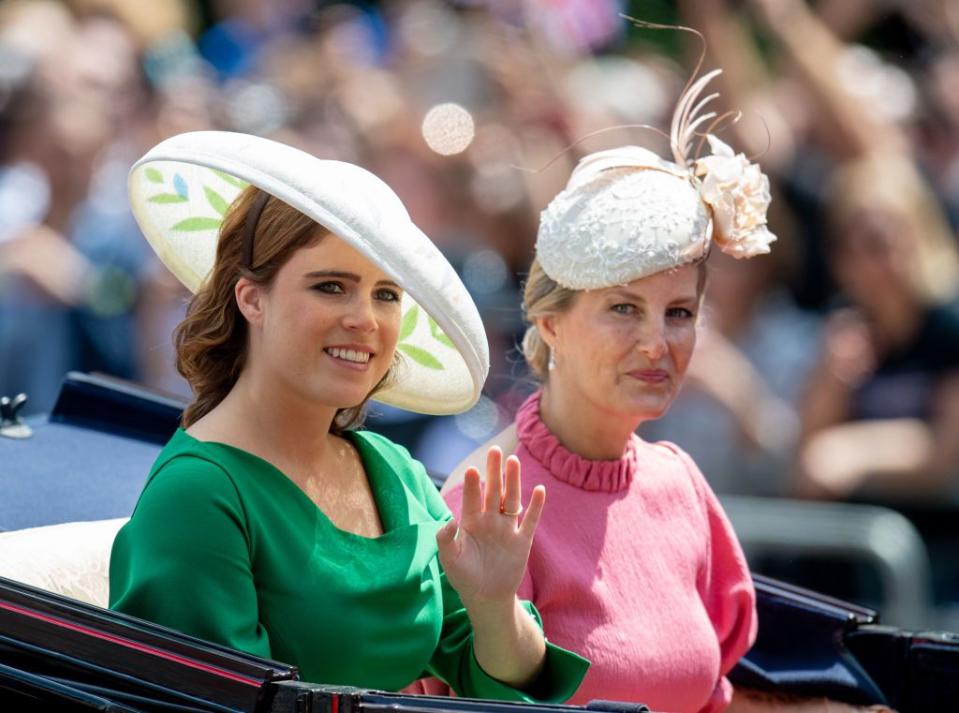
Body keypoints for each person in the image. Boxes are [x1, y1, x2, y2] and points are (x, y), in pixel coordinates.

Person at [108, 131, 588, 700]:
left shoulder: (395, 470)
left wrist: (493, 604)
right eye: (331, 287)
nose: (365, 319)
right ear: (251, 298)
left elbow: (508, 690)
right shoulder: (200, 493)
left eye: (386, 294)